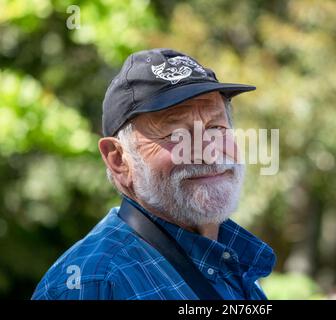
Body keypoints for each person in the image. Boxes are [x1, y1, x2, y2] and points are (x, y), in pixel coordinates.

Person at [32, 48, 276, 300]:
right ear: (118, 159)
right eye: (175, 134)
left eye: (216, 127)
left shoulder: (229, 266)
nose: (209, 151)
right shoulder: (92, 284)